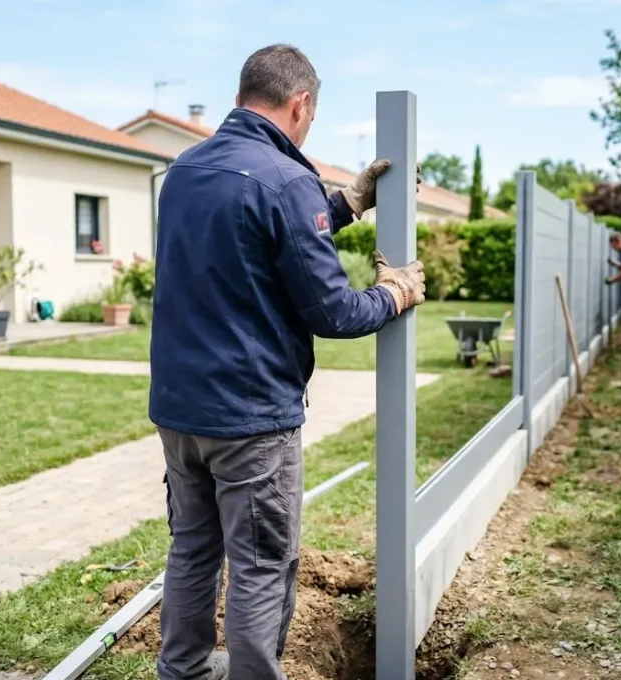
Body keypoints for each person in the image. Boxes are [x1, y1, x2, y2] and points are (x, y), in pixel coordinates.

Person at [148, 44, 426, 680]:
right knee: (260, 562)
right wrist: (395, 293)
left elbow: (253, 240)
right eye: (312, 117)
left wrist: (347, 203)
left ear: (243, 96)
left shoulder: (184, 170)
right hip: (250, 419)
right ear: (300, 104)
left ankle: (182, 672)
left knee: (192, 548)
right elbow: (334, 313)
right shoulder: (286, 178)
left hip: (179, 412)